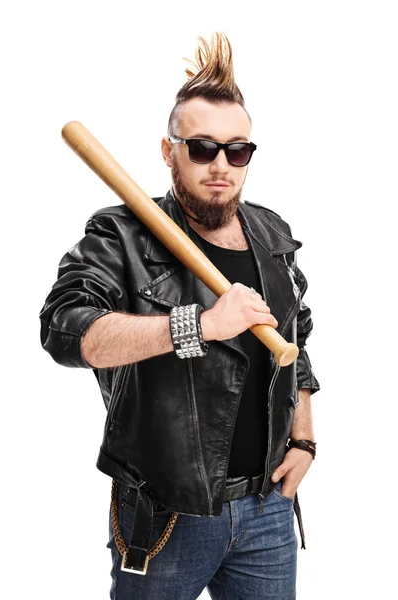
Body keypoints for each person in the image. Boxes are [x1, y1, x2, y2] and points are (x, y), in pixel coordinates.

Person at [39, 32, 320, 600]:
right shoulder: (120, 236)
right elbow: (65, 329)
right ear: (168, 152)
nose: (220, 165)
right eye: (201, 148)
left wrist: (304, 440)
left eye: (237, 151)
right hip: (165, 512)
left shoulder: (271, 232)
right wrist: (200, 324)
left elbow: (297, 335)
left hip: (267, 506)